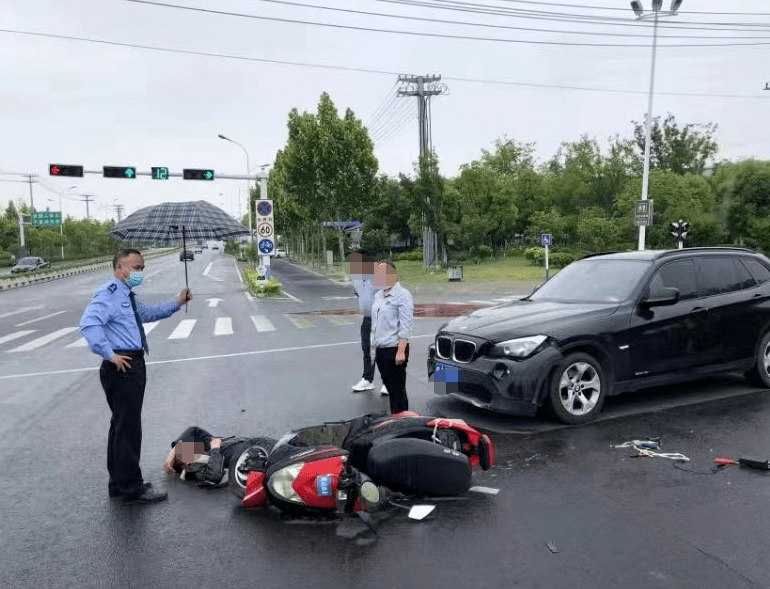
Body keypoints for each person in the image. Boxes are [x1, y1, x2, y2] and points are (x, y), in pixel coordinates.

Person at [80, 249, 192, 503]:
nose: (139, 272)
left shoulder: (126, 295)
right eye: (135, 267)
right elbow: (89, 324)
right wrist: (110, 355)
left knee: (121, 429)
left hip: (130, 365)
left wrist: (178, 302)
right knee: (128, 430)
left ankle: (120, 484)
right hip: (123, 367)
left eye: (142, 268)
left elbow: (149, 313)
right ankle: (131, 488)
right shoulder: (109, 293)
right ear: (119, 268)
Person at [371, 259, 414, 414]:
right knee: (390, 388)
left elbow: (405, 326)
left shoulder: (403, 295)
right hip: (380, 349)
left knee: (397, 391)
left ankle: (402, 420)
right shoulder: (379, 295)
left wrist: (401, 351)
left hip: (394, 349)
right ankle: (396, 418)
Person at [163, 426, 265, 487]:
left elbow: (194, 430)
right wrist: (215, 449)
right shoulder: (196, 468)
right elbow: (214, 476)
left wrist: (172, 452)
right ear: (185, 464)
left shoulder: (205, 448)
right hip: (256, 458)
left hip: (259, 443)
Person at [348, 251, 387, 395]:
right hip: (367, 319)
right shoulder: (356, 278)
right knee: (367, 350)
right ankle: (367, 380)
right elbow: (359, 294)